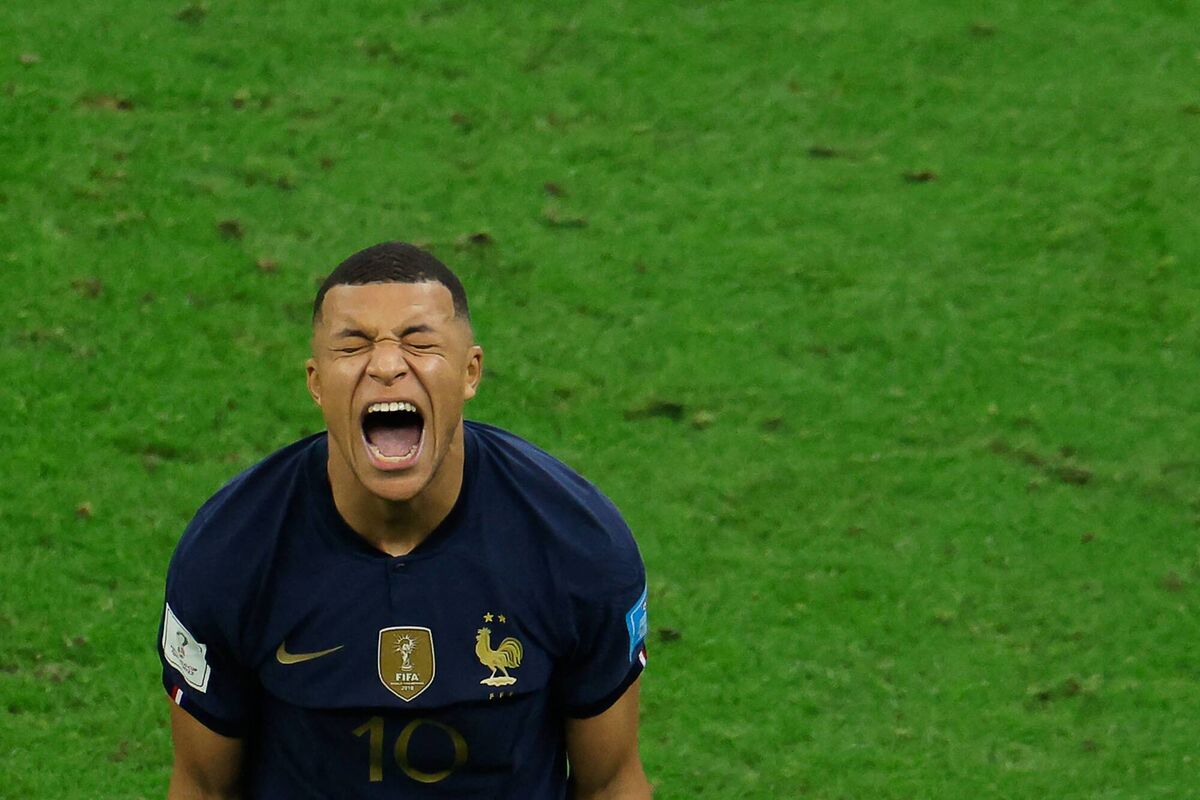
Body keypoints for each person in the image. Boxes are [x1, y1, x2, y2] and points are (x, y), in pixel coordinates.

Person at [158, 242, 652, 799]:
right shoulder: (229, 555)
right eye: (354, 345)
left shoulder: (578, 547)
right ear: (316, 382)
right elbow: (201, 787)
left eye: (419, 343)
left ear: (471, 372)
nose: (388, 365)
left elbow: (611, 784)